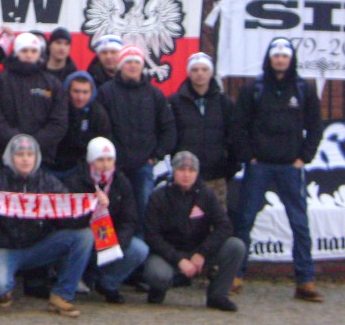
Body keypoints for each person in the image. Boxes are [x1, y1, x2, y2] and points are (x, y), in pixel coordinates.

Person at [232, 37, 323, 302]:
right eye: (276, 55)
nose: (280, 60)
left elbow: (315, 127)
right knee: (245, 220)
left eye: (285, 56)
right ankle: (235, 275)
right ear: (269, 59)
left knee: (300, 224)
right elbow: (238, 125)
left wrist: (304, 157)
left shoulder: (304, 88)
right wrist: (249, 157)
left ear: (291, 59)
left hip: (290, 167)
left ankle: (305, 281)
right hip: (259, 166)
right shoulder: (253, 89)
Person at [0, 134, 94, 317]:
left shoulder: (49, 182)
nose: (25, 159)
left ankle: (62, 295)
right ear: (10, 157)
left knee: (84, 236)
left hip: (40, 246)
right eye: (20, 154)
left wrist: (95, 204)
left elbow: (70, 215)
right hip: (5, 248)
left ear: (36, 157)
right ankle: (4, 290)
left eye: (30, 154)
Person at [143, 151, 245, 312]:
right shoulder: (158, 196)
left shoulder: (206, 194)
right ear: (173, 171)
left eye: (191, 171)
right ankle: (158, 290)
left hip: (199, 251)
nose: (186, 175)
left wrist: (202, 253)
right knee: (157, 274)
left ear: (197, 173)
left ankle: (218, 296)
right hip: (168, 254)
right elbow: (151, 236)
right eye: (181, 170)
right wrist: (178, 259)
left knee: (236, 246)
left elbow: (224, 226)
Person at [98, 44, 176, 227]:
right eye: (128, 62)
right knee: (111, 211)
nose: (132, 66)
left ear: (142, 65)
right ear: (120, 65)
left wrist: (156, 155)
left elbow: (168, 127)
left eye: (136, 62)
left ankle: (142, 243)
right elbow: (99, 128)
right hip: (113, 167)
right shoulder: (106, 92)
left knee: (144, 212)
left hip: (143, 166)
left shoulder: (154, 94)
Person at [64, 137, 148, 304]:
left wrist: (116, 245)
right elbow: (67, 220)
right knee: (83, 238)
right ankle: (70, 283)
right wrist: (91, 207)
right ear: (91, 161)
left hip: (110, 238)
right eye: (100, 159)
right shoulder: (75, 181)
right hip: (83, 239)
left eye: (109, 159)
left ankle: (107, 283)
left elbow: (129, 220)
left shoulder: (121, 181)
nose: (105, 164)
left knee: (139, 249)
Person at [0, 32, 67, 178]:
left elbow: (59, 123)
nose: (29, 55)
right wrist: (17, 142)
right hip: (0, 158)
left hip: (42, 160)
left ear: (39, 53)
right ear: (16, 52)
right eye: (24, 50)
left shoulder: (53, 84)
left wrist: (32, 145)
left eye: (33, 51)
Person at [168, 52, 236, 209]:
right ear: (188, 73)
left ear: (211, 73)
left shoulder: (225, 103)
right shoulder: (174, 102)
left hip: (216, 174)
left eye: (204, 69)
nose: (200, 74)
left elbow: (233, 136)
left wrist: (229, 165)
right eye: (195, 70)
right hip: (185, 174)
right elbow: (169, 135)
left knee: (217, 216)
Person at [50, 71, 112, 179]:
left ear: (92, 92)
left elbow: (103, 140)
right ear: (67, 90)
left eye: (85, 92)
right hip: (52, 166)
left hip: (81, 170)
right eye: (76, 91)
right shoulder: (57, 108)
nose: (80, 97)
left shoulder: (98, 114)